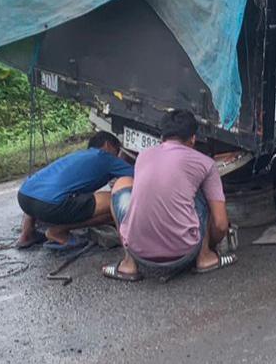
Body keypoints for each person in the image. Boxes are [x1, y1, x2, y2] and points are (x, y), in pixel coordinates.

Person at [104, 110, 236, 282]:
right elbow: (220, 224)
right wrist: (210, 244)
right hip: (185, 254)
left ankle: (129, 264)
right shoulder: (206, 164)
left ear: (162, 137)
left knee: (121, 185)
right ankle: (205, 258)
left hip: (139, 254)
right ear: (193, 138)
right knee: (201, 192)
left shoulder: (144, 155)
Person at [15, 131, 133, 250]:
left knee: (44, 190)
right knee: (115, 201)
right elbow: (139, 175)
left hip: (24, 196)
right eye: (117, 151)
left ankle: (27, 233)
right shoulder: (105, 157)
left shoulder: (79, 155)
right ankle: (58, 231)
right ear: (107, 145)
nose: (117, 156)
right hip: (50, 205)